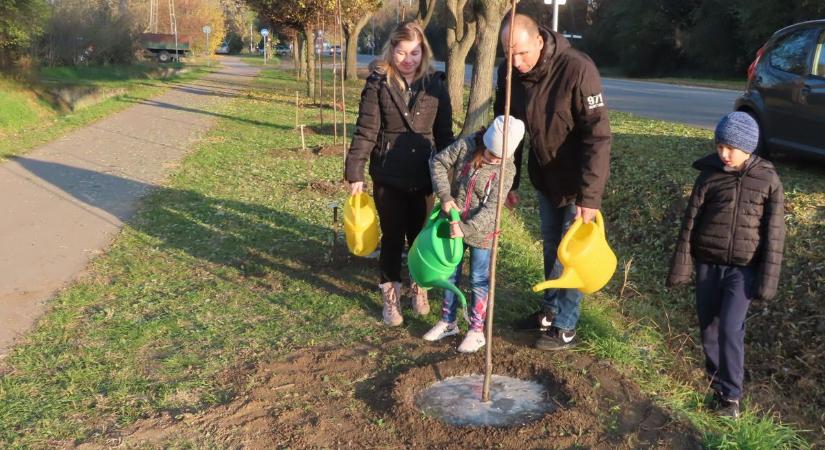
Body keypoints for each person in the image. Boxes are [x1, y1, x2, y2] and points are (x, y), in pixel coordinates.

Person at [494, 14, 611, 350]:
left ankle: (565, 325)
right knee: (550, 248)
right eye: (508, 54)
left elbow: (598, 136)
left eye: (521, 53)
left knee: (571, 255)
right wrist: (509, 182)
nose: (515, 62)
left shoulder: (577, 69)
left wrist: (590, 198)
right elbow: (508, 129)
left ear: (539, 41)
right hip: (546, 178)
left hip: (578, 181)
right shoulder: (509, 74)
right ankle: (548, 311)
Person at [667, 112, 785, 418]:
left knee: (731, 329)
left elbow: (775, 232)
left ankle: (731, 397)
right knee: (709, 329)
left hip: (743, 271)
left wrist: (767, 279)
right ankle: (716, 387)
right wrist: (682, 265)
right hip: (709, 263)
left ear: (748, 147)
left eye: (731, 147)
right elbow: (689, 223)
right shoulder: (709, 176)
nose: (723, 153)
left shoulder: (768, 179)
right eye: (720, 145)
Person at [345, 21, 454, 326]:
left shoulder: (436, 84)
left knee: (421, 237)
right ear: (391, 50)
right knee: (392, 237)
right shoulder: (378, 84)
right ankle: (391, 296)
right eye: (402, 52)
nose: (408, 59)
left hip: (425, 176)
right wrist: (355, 172)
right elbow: (366, 130)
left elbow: (444, 133)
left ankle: (419, 287)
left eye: (415, 53)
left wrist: (451, 178)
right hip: (388, 175)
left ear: (424, 53)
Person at [423, 115, 523, 353]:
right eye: (490, 155)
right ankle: (448, 322)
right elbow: (437, 162)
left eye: (500, 158)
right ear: (484, 143)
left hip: (482, 232)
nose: (494, 160)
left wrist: (467, 229)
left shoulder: (507, 169)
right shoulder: (468, 145)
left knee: (479, 279)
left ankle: (476, 330)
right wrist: (446, 197)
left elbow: (492, 209)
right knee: (449, 272)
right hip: (453, 219)